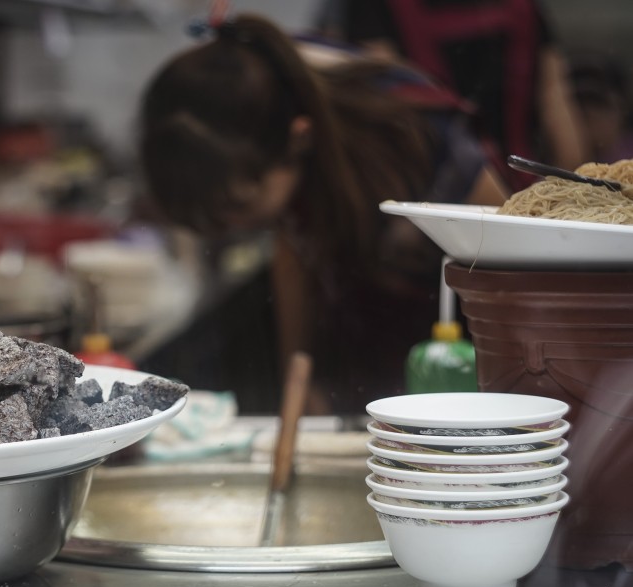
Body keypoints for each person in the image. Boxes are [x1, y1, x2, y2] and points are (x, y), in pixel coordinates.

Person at [138, 13, 509, 415]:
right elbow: (293, 249)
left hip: (468, 345)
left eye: (240, 207)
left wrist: (512, 386)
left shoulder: (409, 126)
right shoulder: (264, 112)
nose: (236, 228)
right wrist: (301, 379)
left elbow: (511, 250)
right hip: (369, 341)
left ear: (300, 138)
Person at [314, 0, 589, 189]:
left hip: (434, 209)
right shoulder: (522, 7)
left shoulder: (372, 8)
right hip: (515, 197)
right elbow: (558, 108)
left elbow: (387, 108)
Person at [568, 53, 633, 164]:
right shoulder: (562, 154)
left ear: (620, 106)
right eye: (581, 104)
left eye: (598, 102)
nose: (591, 113)